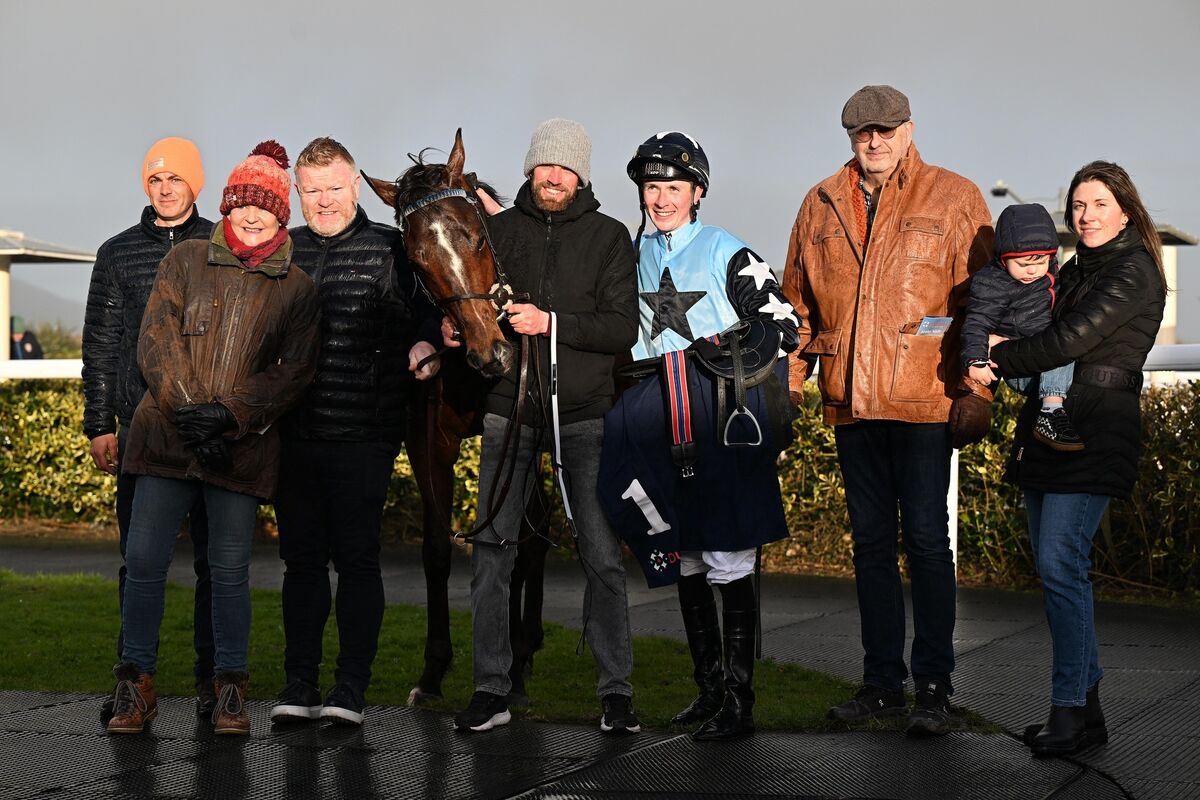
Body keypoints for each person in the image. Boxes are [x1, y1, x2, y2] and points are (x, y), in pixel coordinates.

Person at [781, 85, 994, 735]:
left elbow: (984, 302)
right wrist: (789, 386)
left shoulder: (955, 197)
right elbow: (797, 307)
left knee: (928, 543)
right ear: (850, 136)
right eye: (861, 131)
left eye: (885, 129)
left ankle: (933, 685)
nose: (873, 141)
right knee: (871, 548)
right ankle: (881, 685)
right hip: (851, 404)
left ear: (908, 129)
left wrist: (978, 390)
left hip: (927, 400)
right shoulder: (819, 203)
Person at [105, 141, 319, 736]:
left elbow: (293, 371)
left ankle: (229, 691)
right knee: (144, 563)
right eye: (242, 205)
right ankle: (134, 686)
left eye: (266, 208)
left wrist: (227, 416)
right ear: (227, 206)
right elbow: (156, 340)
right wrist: (192, 411)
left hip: (239, 448)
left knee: (228, 571)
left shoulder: (298, 287)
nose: (252, 217)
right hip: (164, 440)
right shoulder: (185, 260)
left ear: (282, 215)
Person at [445, 118, 641, 735]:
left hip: (584, 416)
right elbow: (470, 298)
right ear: (530, 169)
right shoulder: (496, 231)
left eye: (565, 167)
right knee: (492, 552)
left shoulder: (610, 238)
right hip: (508, 408)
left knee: (602, 557)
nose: (554, 176)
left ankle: (616, 693)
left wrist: (549, 320)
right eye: (544, 165)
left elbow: (620, 328)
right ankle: (491, 690)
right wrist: (457, 328)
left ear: (581, 175)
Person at [604, 131, 799, 740]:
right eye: (651, 187)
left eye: (673, 188)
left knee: (726, 554)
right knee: (685, 553)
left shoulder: (725, 250)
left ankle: (739, 704)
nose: (660, 198)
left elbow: (782, 323)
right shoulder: (631, 254)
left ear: (697, 193)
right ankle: (708, 689)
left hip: (721, 422)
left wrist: (716, 358)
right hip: (660, 424)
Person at [990, 161, 1166, 755]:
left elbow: (1067, 342)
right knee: (1055, 568)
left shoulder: (1135, 269)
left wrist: (1002, 356)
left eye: (1098, 204)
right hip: (1051, 426)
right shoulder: (1072, 269)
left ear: (1125, 209)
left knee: (1062, 565)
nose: (1086, 216)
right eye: (1078, 206)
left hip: (1096, 429)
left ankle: (1068, 711)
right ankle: (1086, 714)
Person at [269, 137, 441, 728]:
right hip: (293, 437)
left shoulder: (394, 250)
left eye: (335, 189)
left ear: (354, 188)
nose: (324, 202)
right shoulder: (280, 253)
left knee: (357, 562)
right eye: (312, 191)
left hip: (365, 436)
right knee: (302, 565)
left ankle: (350, 688)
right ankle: (299, 683)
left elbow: (430, 315)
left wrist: (425, 340)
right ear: (298, 193)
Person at [82, 136, 216, 721]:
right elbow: (101, 345)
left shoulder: (222, 244)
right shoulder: (116, 254)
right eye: (156, 180)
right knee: (139, 562)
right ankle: (134, 683)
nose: (165, 189)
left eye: (175, 180)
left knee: (216, 563)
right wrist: (98, 424)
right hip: (141, 432)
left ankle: (214, 682)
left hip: (212, 432)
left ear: (195, 185)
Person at [961, 203, 1083, 451]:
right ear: (1003, 259)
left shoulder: (1051, 271)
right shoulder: (993, 283)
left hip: (1039, 356)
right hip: (1020, 369)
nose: (1032, 271)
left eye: (1040, 263)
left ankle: (1053, 404)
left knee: (1066, 341)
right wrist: (975, 359)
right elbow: (976, 321)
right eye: (1022, 264)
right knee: (1061, 349)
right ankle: (1051, 408)